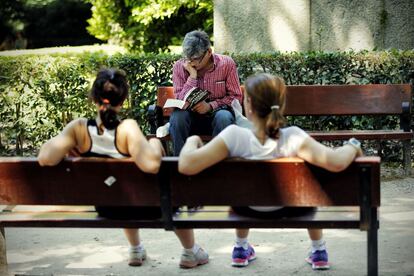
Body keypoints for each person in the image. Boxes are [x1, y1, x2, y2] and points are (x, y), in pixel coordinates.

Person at [178, 73, 363, 270]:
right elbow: (336, 162)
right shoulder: (294, 137)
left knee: (242, 192)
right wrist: (353, 145)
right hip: (292, 208)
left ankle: (241, 247)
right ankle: (318, 250)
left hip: (246, 209)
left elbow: (186, 165)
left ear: (248, 105)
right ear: (281, 105)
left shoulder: (233, 136)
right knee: (308, 189)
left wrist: (192, 140)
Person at [38, 68, 209, 269]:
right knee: (165, 192)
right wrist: (154, 143)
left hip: (107, 207)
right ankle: (190, 252)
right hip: (146, 206)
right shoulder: (127, 128)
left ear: (94, 98)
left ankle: (136, 249)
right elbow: (152, 165)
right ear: (123, 100)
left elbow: (45, 158)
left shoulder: (79, 128)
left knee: (120, 189)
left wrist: (73, 146)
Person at [169, 30, 243, 155]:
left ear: (209, 52)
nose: (190, 62)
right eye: (187, 58)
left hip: (217, 115)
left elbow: (235, 97)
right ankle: (180, 165)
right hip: (190, 118)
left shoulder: (226, 64)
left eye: (195, 58)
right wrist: (192, 77)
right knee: (177, 117)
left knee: (224, 117)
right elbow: (180, 100)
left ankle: (219, 166)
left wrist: (210, 106)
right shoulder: (180, 67)